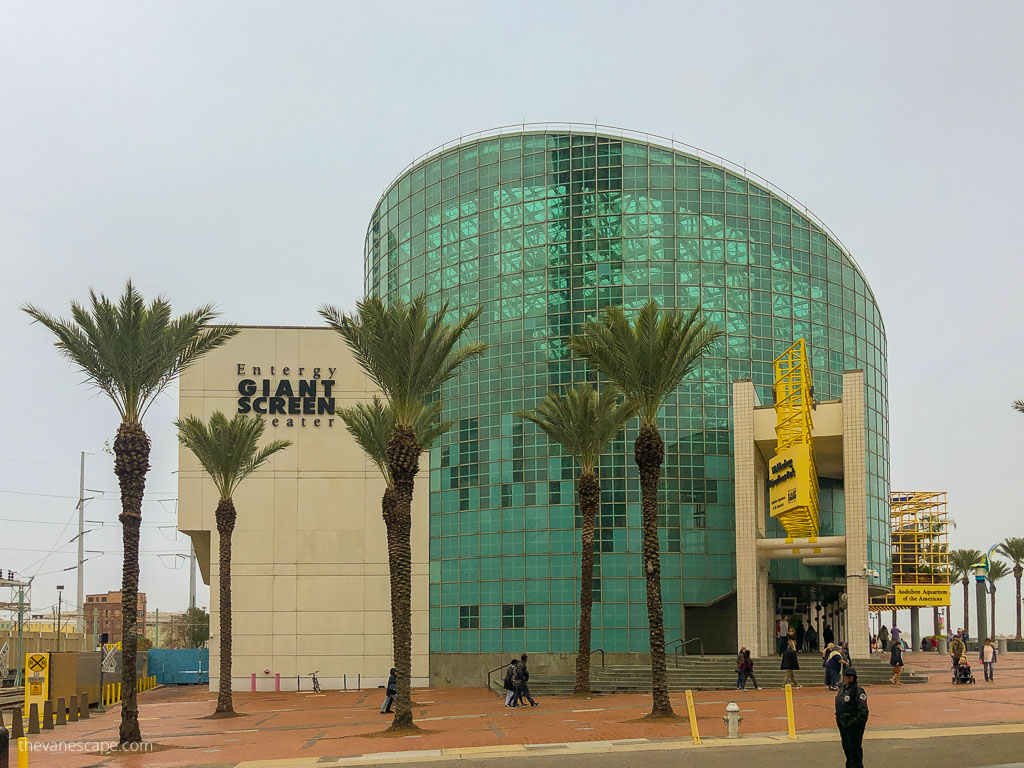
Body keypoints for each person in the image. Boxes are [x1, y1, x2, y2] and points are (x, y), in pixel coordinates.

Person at [835, 667, 869, 768]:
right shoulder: (843, 689)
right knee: (847, 748)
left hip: (853, 725)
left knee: (854, 749)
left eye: (850, 676)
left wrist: (855, 722)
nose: (848, 678)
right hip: (843, 723)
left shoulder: (858, 691)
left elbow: (863, 710)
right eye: (846, 676)